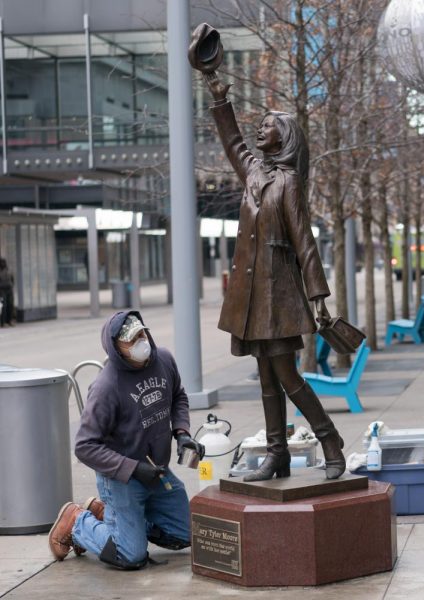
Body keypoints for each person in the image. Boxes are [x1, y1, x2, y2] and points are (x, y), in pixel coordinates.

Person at [201, 55, 344, 481]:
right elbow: (232, 141)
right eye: (259, 124)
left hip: (279, 295)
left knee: (288, 376)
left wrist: (318, 296)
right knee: (265, 377)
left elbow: (305, 239)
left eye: (267, 125)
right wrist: (216, 91)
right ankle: (276, 453)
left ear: (284, 138)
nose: (259, 128)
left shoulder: (289, 182)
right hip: (250, 297)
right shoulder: (252, 173)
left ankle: (329, 440)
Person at [48, 312, 205, 567]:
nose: (141, 343)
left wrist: (182, 434)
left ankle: (109, 516)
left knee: (186, 535)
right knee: (130, 556)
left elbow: (178, 396)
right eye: (131, 340)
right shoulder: (106, 387)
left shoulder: (163, 359)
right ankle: (77, 521)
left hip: (157, 472)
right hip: (122, 480)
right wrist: (132, 469)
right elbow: (85, 446)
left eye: (141, 334)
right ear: (116, 348)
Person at [0, 257, 14, 327]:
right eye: (2, 262)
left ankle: (9, 321)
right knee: (3, 307)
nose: (3, 264)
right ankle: (3, 322)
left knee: (10, 305)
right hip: (2, 291)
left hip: (9, 290)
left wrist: (11, 286)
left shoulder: (9, 270)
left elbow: (12, 280)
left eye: (4, 262)